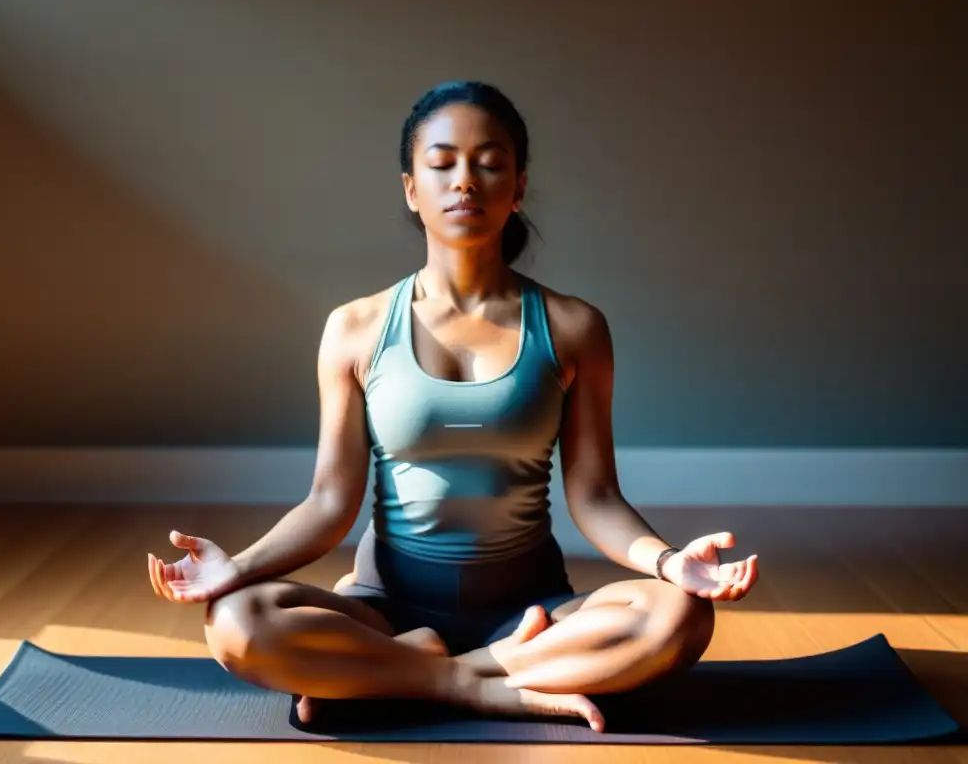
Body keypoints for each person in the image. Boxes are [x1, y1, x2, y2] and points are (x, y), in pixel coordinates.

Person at [146, 80, 759, 733]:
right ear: (412, 188)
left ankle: (391, 676)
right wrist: (233, 569)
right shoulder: (354, 327)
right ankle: (474, 682)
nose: (464, 180)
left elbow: (597, 497)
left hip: (532, 613)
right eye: (441, 164)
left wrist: (668, 563)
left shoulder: (576, 326)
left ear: (518, 186)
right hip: (384, 610)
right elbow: (329, 503)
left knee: (681, 617)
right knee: (236, 623)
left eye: (489, 163)